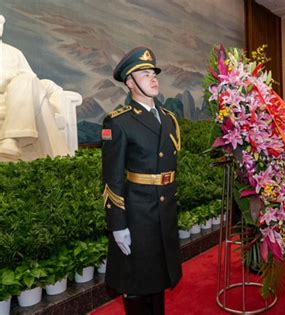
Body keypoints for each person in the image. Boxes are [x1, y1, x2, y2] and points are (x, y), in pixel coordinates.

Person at [102, 47, 182, 315]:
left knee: (158, 277)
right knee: (137, 282)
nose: (153, 78)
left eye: (154, 73)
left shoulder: (169, 119)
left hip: (164, 211)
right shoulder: (119, 122)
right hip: (137, 215)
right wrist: (118, 225)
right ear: (130, 82)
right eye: (144, 74)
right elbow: (112, 178)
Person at [0, 14, 70, 160]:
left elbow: (32, 80)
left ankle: (11, 141)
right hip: (5, 97)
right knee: (40, 102)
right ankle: (59, 159)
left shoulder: (14, 53)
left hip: (18, 97)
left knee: (27, 81)